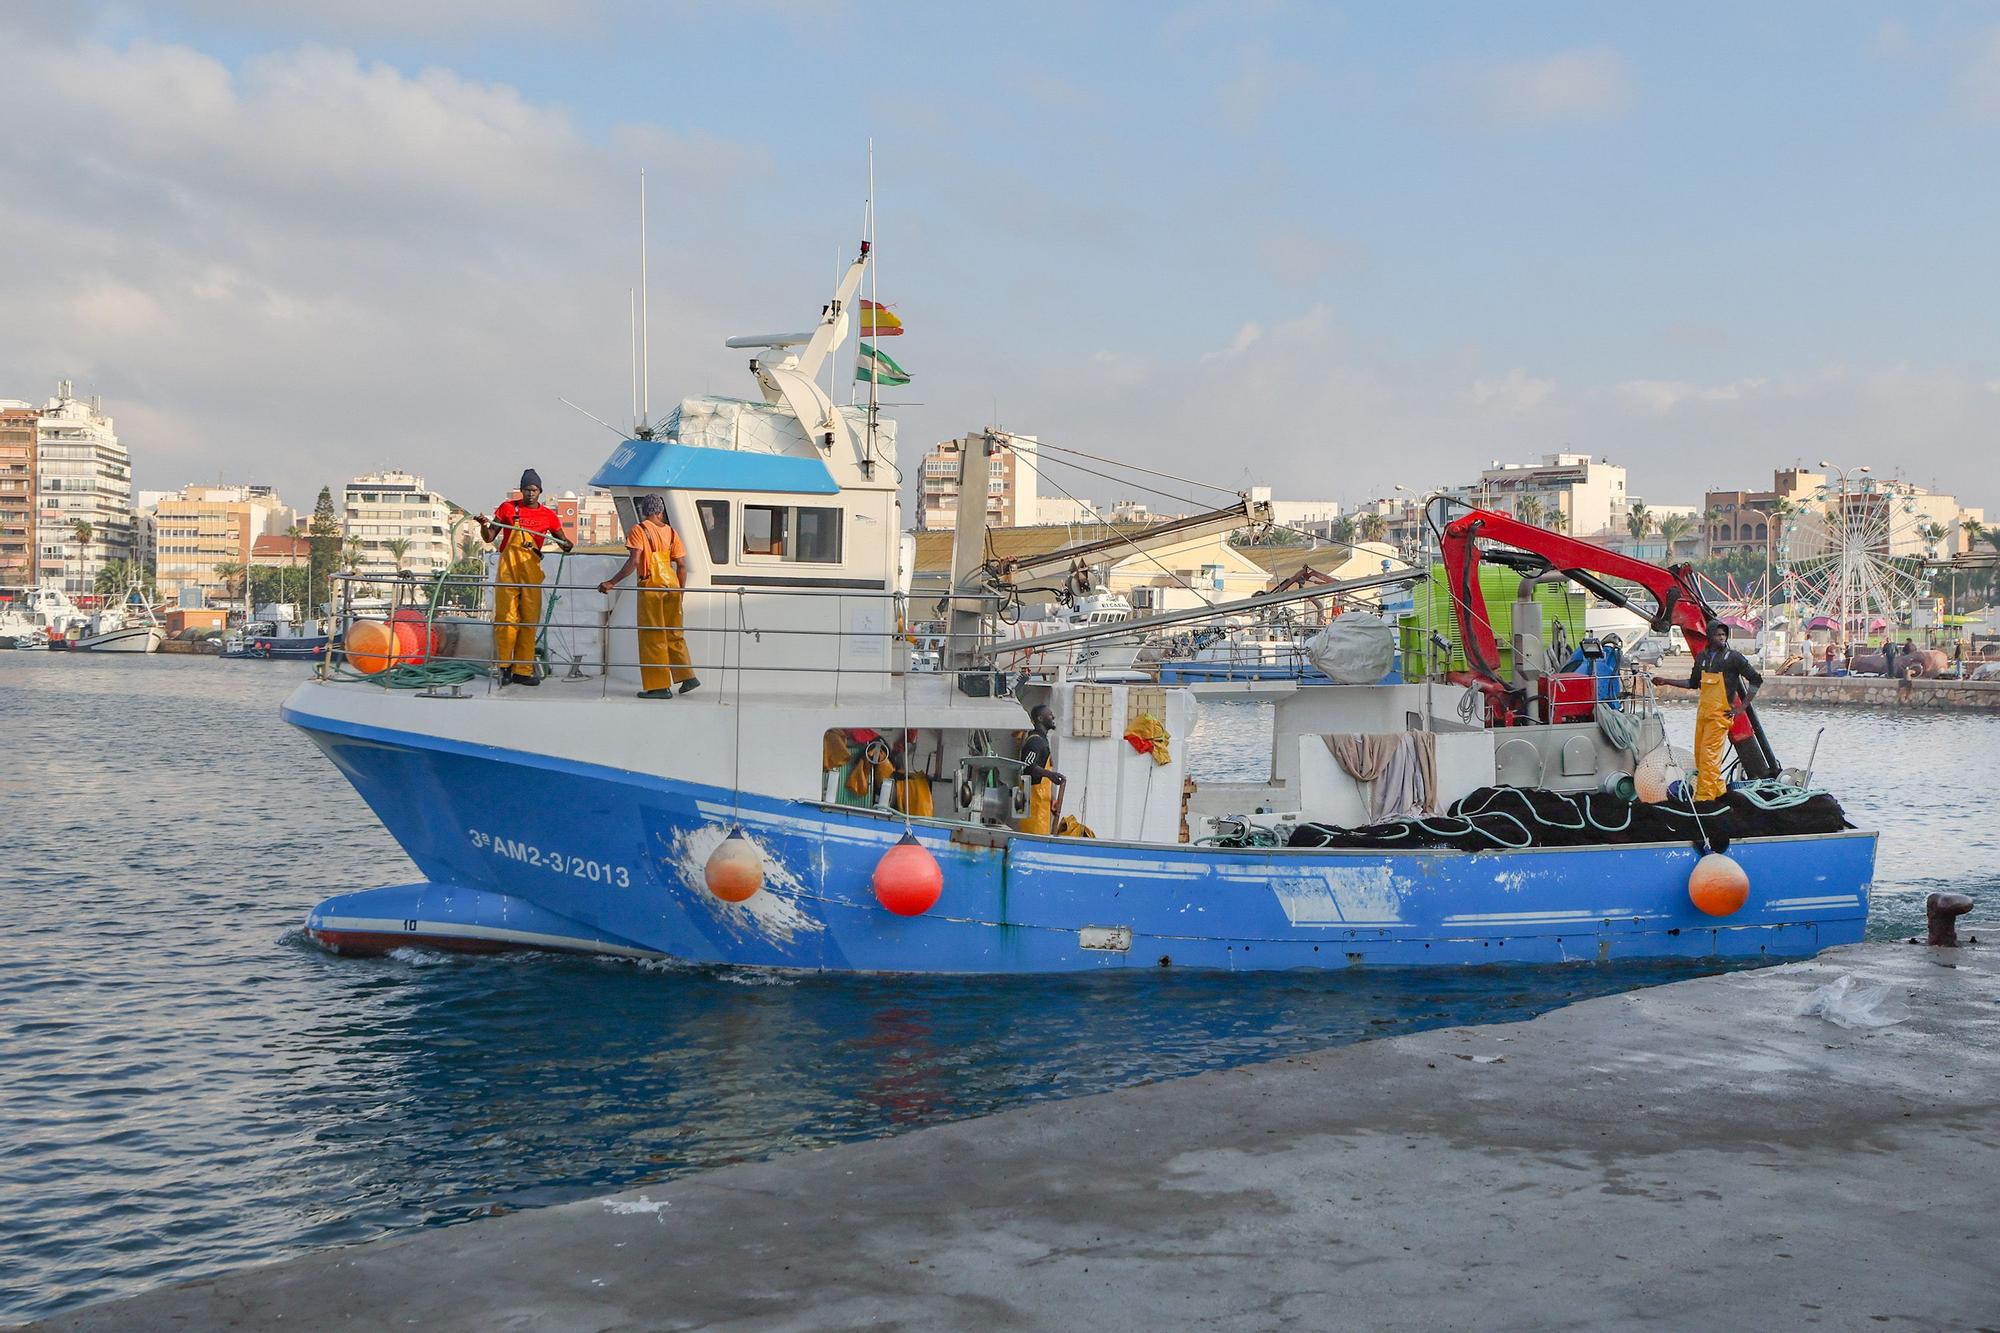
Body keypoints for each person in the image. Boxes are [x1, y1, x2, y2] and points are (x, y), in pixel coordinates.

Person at [477, 469, 572, 687]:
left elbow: (563, 542)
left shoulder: (548, 515)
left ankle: (523, 669)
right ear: (521, 490)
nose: (531, 493)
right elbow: (490, 537)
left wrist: (566, 544)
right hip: (508, 571)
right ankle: (504, 667)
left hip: (530, 571)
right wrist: (483, 526)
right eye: (527, 489)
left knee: (529, 621)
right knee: (506, 620)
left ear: (540, 491)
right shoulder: (507, 508)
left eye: (535, 490)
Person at [597, 493, 697, 699]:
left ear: (644, 511)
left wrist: (611, 583)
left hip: (651, 586)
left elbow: (634, 562)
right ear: (660, 511)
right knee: (674, 633)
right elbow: (682, 566)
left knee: (653, 636)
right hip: (672, 586)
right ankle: (687, 677)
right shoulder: (671, 532)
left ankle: (659, 686)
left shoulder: (639, 530)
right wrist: (680, 592)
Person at [1668, 621, 1763, 802]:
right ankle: (1719, 792)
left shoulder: (1734, 658)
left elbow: (1756, 679)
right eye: (1718, 635)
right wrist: (1666, 681)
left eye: (1724, 635)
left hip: (1720, 716)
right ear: (1709, 636)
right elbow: (1692, 683)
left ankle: (1704, 799)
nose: (1722, 638)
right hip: (1703, 714)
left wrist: (1741, 708)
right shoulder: (1702, 657)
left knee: (1709, 759)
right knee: (1700, 755)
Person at [1017, 703, 1064, 834]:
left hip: (1042, 806)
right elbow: (1027, 766)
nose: (1053, 716)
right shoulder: (1035, 742)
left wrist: (1051, 799)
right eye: (1049, 714)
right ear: (1040, 719)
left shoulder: (1043, 740)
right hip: (1034, 808)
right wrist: (1050, 775)